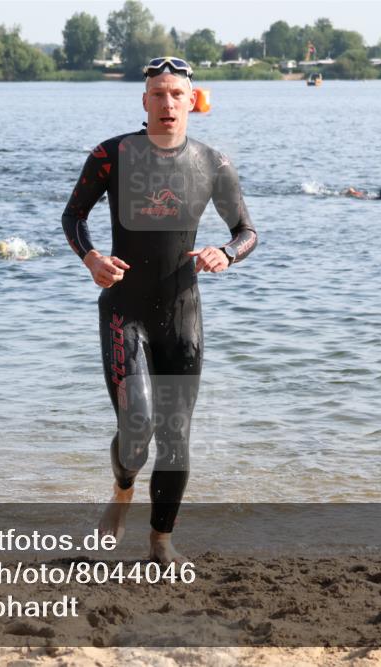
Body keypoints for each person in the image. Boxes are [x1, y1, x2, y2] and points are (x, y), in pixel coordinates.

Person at [61, 56, 258, 566]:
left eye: (176, 94)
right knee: (138, 427)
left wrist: (226, 253)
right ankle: (122, 490)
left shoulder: (212, 164)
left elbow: (247, 231)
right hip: (124, 311)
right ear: (143, 101)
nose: (167, 104)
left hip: (182, 315)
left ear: (193, 100)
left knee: (175, 436)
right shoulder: (112, 156)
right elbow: (73, 214)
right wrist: (91, 259)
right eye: (158, 94)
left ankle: (160, 542)